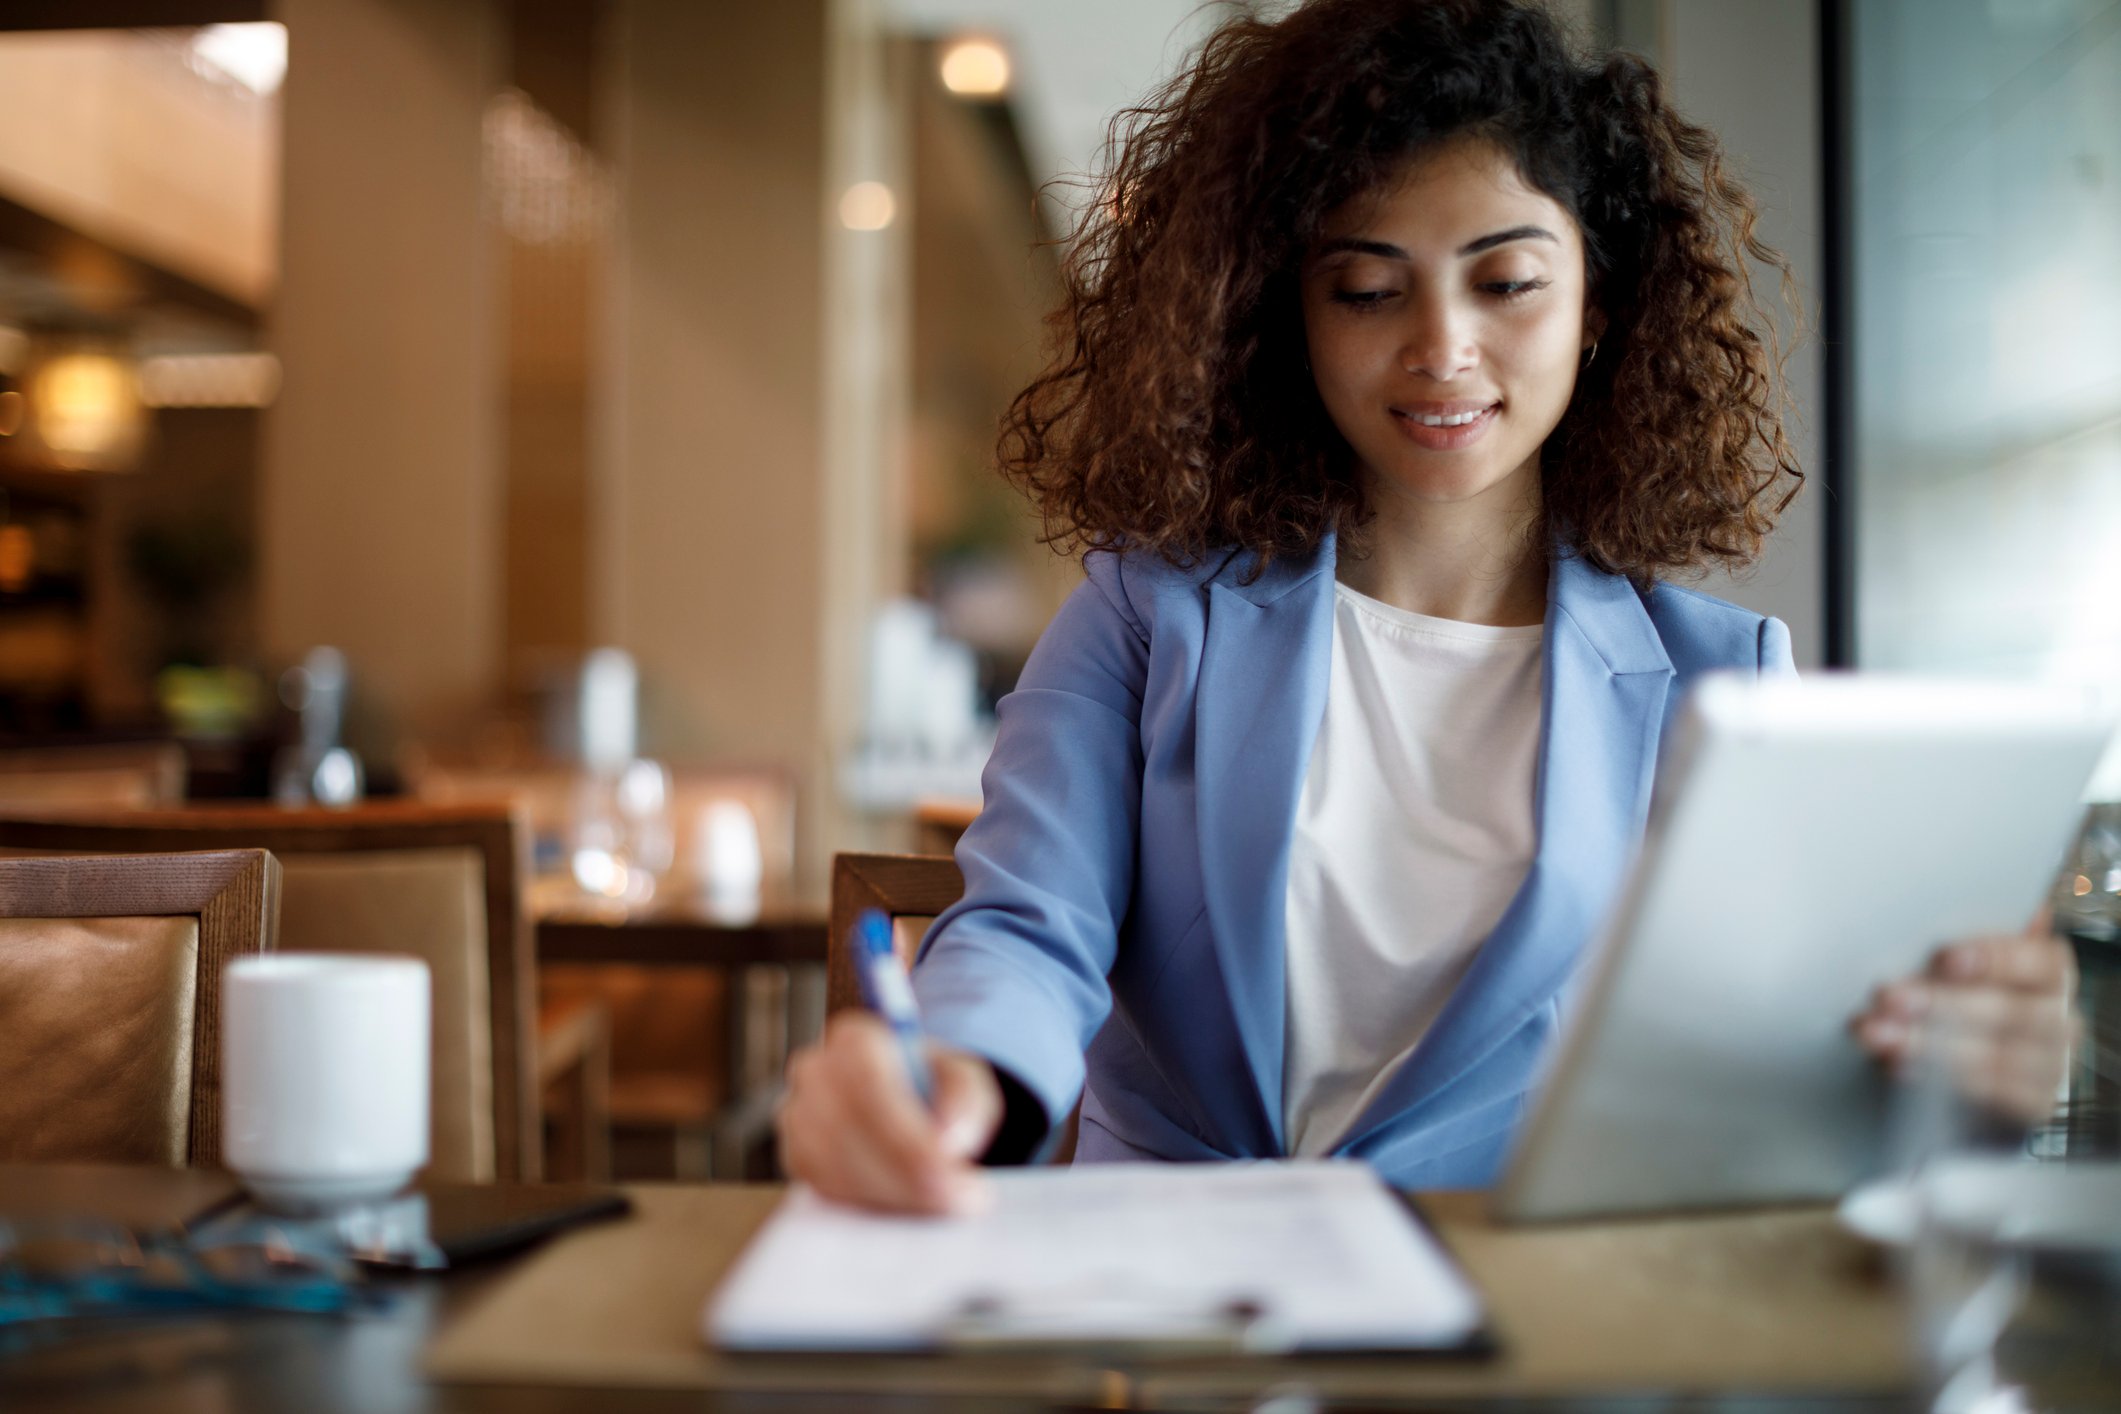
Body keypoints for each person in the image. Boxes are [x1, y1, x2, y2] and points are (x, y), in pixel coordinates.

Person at [778, 0, 2079, 1213]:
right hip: (1178, 1301)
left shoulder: (1720, 677)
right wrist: (961, 1080)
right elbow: (1023, 922)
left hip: (1515, 1321)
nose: (1439, 347)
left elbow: (1786, 1065)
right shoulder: (1146, 608)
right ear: (1282, 315)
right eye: (1365, 288)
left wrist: (1958, 1067)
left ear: (1596, 309)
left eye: (1504, 281)